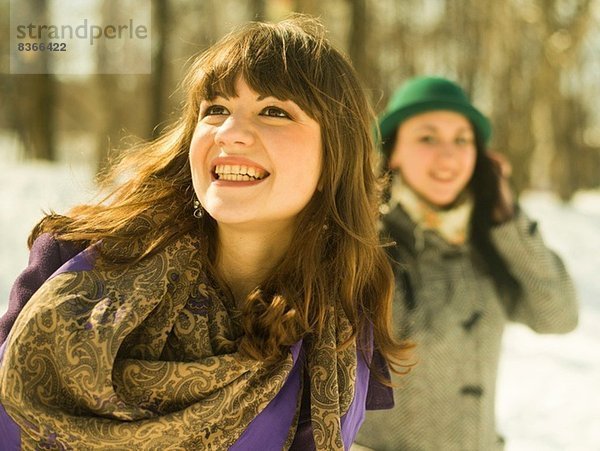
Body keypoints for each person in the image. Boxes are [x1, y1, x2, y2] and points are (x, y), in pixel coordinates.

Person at [0, 16, 413, 450]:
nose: (230, 133)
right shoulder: (74, 261)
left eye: (274, 112)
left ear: (335, 158)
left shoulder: (342, 325)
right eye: (215, 109)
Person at [353, 76, 578, 450]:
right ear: (393, 152)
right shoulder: (365, 244)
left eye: (462, 139)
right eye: (427, 138)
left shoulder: (491, 245)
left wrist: (508, 219)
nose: (449, 155)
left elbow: (559, 316)